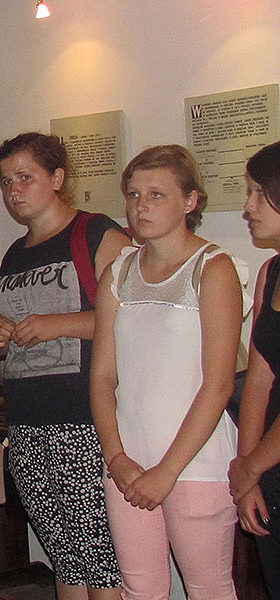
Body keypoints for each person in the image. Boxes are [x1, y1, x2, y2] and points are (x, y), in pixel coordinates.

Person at [91, 144, 244, 600]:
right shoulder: (118, 272)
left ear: (190, 201)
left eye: (156, 195)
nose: (141, 206)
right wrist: (116, 457)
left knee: (208, 589)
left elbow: (218, 384)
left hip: (195, 462)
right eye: (134, 195)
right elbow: (102, 376)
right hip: (128, 461)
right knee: (140, 590)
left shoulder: (213, 269)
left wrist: (167, 472)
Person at [0, 132, 128, 600]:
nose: (14, 191)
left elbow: (132, 316)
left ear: (57, 178)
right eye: (6, 181)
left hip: (83, 417)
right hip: (27, 419)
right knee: (64, 555)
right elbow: (9, 322)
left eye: (25, 177)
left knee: (101, 558)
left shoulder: (97, 233)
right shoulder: (15, 252)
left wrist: (58, 324)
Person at [228, 141, 280, 598]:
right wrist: (247, 472)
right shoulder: (270, 273)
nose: (248, 207)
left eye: (259, 193)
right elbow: (258, 381)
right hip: (268, 462)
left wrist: (251, 466)